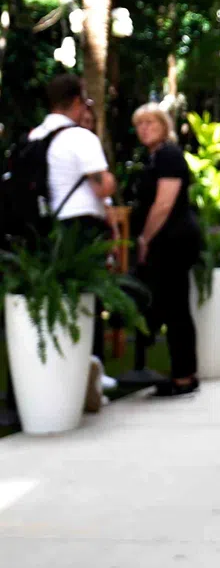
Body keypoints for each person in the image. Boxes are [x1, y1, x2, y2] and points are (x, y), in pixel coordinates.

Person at [29, 73, 118, 411]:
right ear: (78, 100)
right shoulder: (79, 137)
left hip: (46, 226)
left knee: (58, 300)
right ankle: (91, 368)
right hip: (81, 227)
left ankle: (61, 365)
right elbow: (103, 186)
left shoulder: (36, 135)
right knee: (87, 297)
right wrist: (107, 178)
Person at [129, 104, 202, 397]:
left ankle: (184, 376)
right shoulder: (154, 157)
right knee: (171, 305)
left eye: (150, 122)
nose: (144, 128)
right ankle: (182, 372)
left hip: (173, 241)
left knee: (175, 308)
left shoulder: (169, 155)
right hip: (167, 241)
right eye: (140, 124)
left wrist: (144, 238)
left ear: (164, 125)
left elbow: (163, 204)